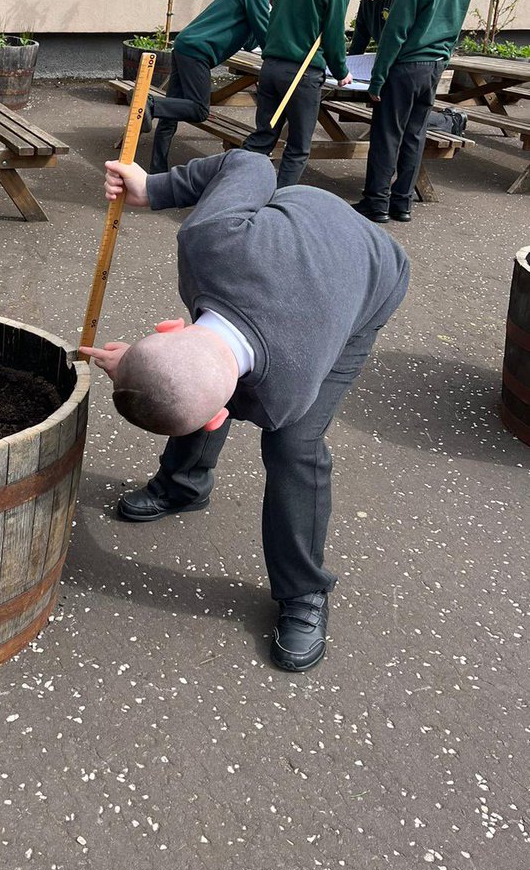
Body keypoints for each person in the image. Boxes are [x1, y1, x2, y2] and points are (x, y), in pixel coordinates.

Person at [80, 148, 409, 672]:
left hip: (371, 270)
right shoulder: (208, 240)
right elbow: (251, 166)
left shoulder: (285, 395)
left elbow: (254, 162)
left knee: (292, 447)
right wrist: (154, 190)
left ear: (171, 328)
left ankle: (304, 594)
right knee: (184, 383)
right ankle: (183, 486)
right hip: (290, 241)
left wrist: (158, 186)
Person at [353, 0, 472, 224]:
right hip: (434, 67)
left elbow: (394, 34)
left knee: (386, 135)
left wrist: (377, 80)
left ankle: (376, 202)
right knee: (414, 135)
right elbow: (454, 29)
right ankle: (402, 202)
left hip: (404, 67)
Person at [144, 0, 300, 174]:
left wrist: (273, 16)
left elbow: (251, 41)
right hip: (198, 51)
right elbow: (266, 40)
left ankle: (157, 172)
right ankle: (149, 104)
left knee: (171, 116)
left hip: (187, 45)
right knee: (198, 109)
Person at [242, 0, 371, 187]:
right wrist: (341, 70)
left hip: (271, 67)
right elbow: (334, 35)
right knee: (298, 147)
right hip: (302, 74)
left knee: (263, 137)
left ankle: (234, 188)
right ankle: (278, 204)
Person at [351, 0, 467, 141]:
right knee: (398, 116)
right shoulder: (367, 1)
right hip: (390, 62)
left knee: (404, 118)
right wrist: (349, 66)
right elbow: (361, 36)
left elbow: (398, 34)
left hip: (409, 63)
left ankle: (450, 122)